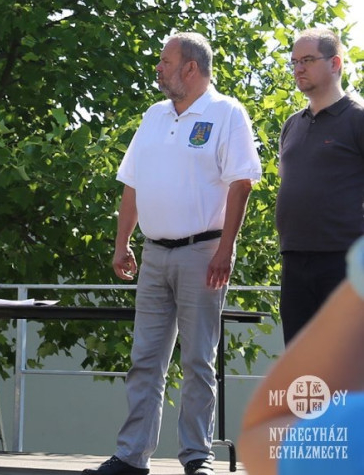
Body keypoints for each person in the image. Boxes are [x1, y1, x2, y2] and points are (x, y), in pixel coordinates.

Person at [84, 32, 262, 475]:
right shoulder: (153, 115)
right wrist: (122, 243)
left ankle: (197, 457)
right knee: (144, 359)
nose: (158, 69)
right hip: (154, 255)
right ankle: (131, 457)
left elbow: (242, 183)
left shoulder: (226, 113)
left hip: (203, 252)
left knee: (198, 359)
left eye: (165, 61)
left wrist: (226, 249)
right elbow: (132, 183)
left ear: (190, 68)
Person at [240, 236, 364, 474]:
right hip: (296, 256)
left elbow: (260, 435)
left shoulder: (354, 435)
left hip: (337, 255)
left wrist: (359, 275)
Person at [274, 28, 364, 345]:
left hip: (343, 263)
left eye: (308, 60)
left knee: (344, 361)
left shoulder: (357, 119)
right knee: (301, 361)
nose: (298, 68)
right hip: (295, 260)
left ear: (335, 63)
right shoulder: (292, 125)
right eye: (294, 61)